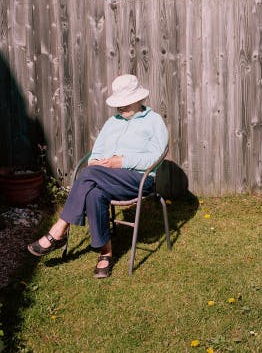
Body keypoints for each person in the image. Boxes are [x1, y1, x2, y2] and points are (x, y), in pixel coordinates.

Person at [27, 74, 169, 278]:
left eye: (126, 103)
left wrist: (121, 161)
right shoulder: (112, 122)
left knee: (88, 175)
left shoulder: (154, 121)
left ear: (139, 99)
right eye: (119, 104)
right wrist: (98, 162)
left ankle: (59, 230)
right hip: (104, 175)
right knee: (93, 193)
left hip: (138, 180)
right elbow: (97, 154)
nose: (121, 108)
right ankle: (106, 254)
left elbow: (156, 157)